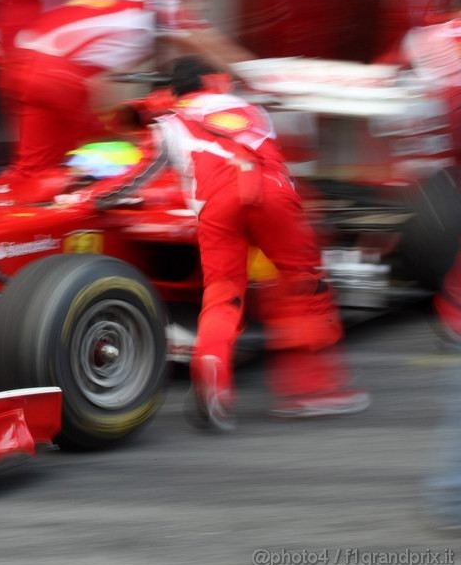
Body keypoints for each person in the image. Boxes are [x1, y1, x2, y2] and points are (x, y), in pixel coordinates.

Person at [138, 56, 370, 431]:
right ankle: (312, 390)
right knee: (304, 285)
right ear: (215, 81)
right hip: (272, 196)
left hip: (215, 208)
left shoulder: (166, 124)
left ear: (174, 91)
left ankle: (211, 365)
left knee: (223, 293)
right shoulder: (253, 109)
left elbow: (140, 176)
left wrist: (95, 198)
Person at [0, 0, 256, 195]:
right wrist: (257, 77)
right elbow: (208, 44)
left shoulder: (127, 4)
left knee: (34, 169)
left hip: (19, 65)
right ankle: (107, 199)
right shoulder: (164, 5)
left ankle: (13, 210)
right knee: (126, 144)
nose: (201, 7)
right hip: (58, 77)